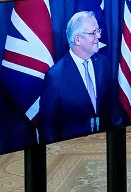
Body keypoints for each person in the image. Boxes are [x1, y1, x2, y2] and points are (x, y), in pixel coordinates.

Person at [38, 11, 112, 144]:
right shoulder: (55, 77)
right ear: (77, 39)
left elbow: (111, 108)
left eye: (98, 30)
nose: (99, 36)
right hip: (72, 149)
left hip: (105, 142)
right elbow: (47, 128)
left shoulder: (103, 63)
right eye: (93, 33)